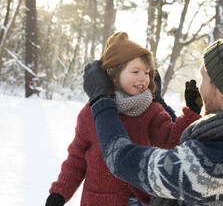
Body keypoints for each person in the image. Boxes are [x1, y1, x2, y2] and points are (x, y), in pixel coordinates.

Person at [82, 30, 223, 205]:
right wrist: (160, 104)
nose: (200, 84)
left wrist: (101, 99)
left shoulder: (208, 167)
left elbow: (120, 159)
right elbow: (183, 144)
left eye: (203, 76)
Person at [45, 32, 201, 206]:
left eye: (147, 73)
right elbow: (77, 158)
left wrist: (192, 112)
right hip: (99, 200)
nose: (144, 78)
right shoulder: (91, 113)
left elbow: (170, 140)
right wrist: (60, 193)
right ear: (113, 74)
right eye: (135, 72)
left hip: (140, 200)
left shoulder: (151, 110)